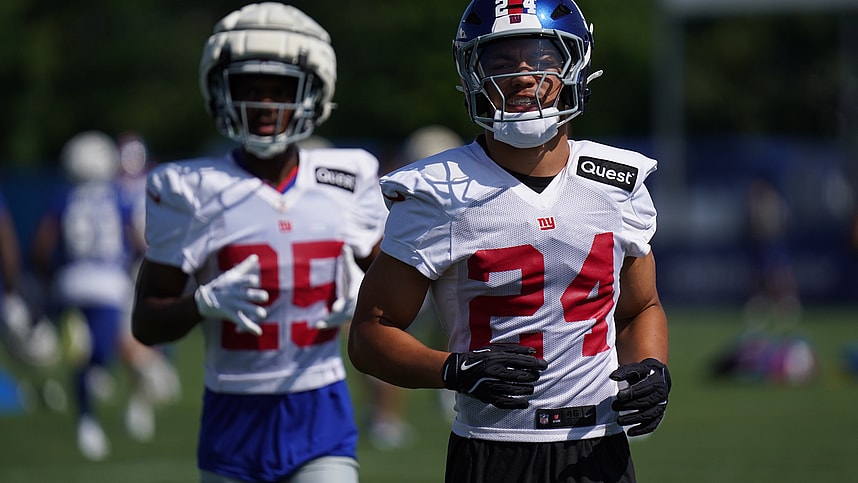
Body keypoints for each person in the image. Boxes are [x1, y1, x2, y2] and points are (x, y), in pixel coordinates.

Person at [348, 1, 670, 482]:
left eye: (541, 58)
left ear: (573, 67)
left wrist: (650, 368)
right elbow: (370, 334)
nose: (522, 77)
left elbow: (641, 308)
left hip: (597, 449)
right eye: (501, 62)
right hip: (492, 448)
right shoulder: (440, 191)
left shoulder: (615, 183)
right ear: (472, 73)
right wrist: (453, 370)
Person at [131, 3, 386, 482]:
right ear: (221, 93)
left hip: (320, 407)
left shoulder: (350, 177)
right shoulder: (189, 187)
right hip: (233, 413)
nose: (264, 104)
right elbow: (146, 323)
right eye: (249, 89)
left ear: (313, 93)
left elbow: (399, 299)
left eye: (280, 90)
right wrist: (201, 303)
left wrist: (366, 292)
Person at [31, 130, 141, 461]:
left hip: (72, 283)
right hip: (109, 283)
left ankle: (86, 418)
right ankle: (92, 387)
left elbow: (40, 248)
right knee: (99, 354)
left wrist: (55, 277)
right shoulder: (117, 197)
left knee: (81, 356)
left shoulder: (63, 197)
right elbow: (136, 242)